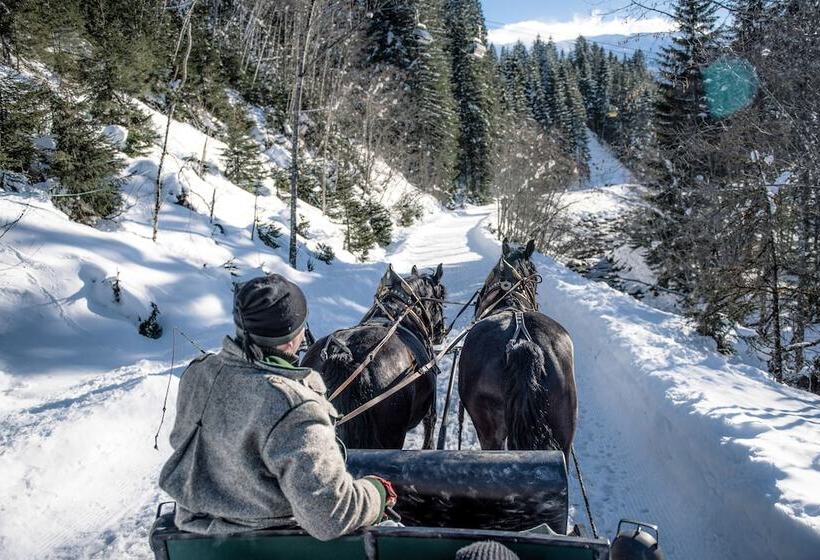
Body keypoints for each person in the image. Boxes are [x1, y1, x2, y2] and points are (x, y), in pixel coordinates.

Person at [159, 274, 396, 541]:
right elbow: (332, 517)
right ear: (294, 338)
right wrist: (377, 493)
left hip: (193, 537)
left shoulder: (197, 374)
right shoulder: (295, 406)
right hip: (270, 543)